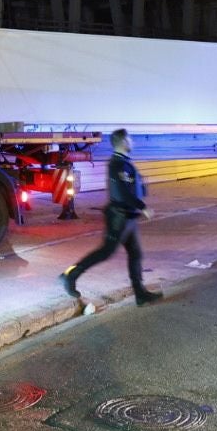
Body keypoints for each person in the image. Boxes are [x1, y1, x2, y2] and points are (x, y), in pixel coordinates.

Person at [59, 128, 164, 306]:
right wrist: (142, 206)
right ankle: (71, 275)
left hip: (129, 217)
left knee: (135, 254)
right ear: (124, 142)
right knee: (106, 252)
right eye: (130, 139)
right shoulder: (116, 164)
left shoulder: (124, 163)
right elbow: (121, 193)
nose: (132, 142)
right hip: (119, 217)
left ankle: (140, 294)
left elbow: (131, 186)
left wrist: (141, 187)